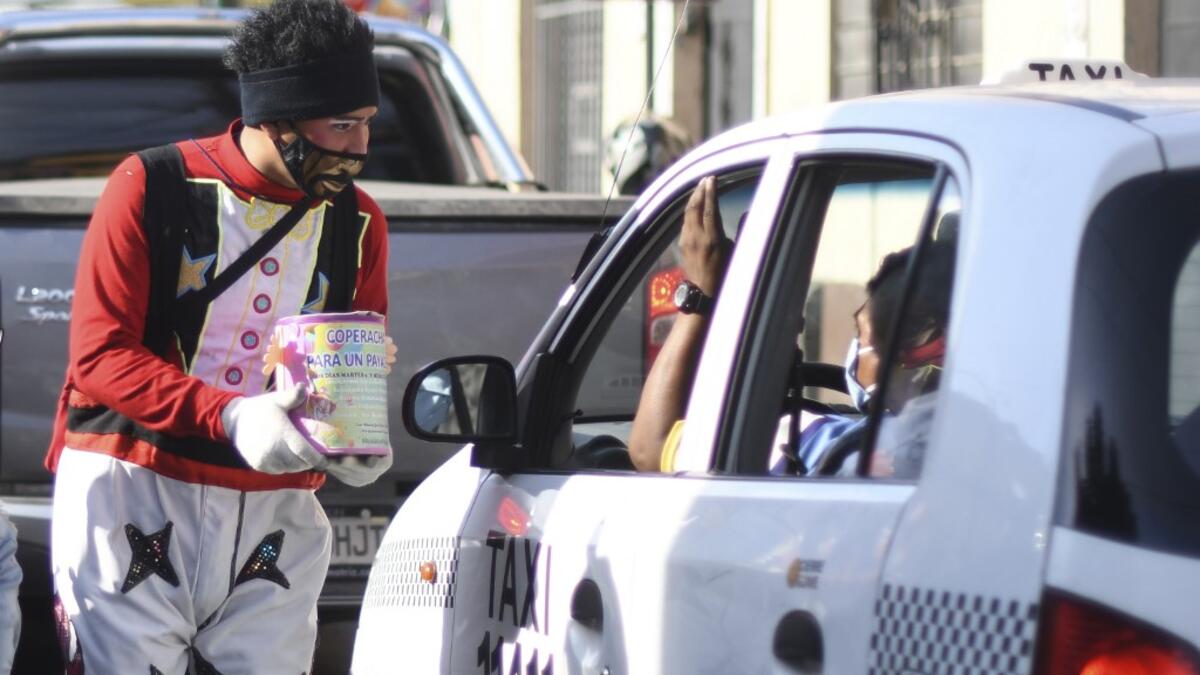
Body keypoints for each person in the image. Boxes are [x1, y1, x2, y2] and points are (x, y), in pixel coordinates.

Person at [46, 1, 391, 671]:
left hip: (276, 513)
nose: (359, 147)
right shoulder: (149, 185)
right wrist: (229, 413)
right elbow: (98, 356)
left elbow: (356, 354)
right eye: (342, 124)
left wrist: (352, 434)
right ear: (276, 114)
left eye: (369, 124)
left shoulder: (360, 224)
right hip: (134, 492)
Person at [629, 177, 953, 476]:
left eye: (861, 331)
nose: (854, 350)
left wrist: (699, 292)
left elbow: (650, 448)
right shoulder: (969, 434)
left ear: (914, 347)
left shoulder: (840, 446)